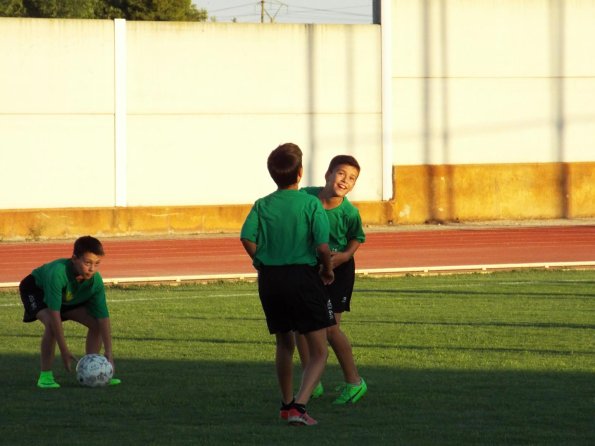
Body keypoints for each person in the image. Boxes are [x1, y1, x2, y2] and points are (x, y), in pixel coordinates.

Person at [240, 143, 335, 426]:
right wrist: (328, 270)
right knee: (319, 350)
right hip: (302, 277)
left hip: (270, 280)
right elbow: (321, 246)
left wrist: (260, 261)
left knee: (284, 343)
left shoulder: (262, 204)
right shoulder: (310, 203)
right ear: (300, 173)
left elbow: (246, 237)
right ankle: (300, 406)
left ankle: (285, 404)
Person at [297, 155, 367, 404]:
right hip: (312, 268)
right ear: (327, 174)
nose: (345, 180)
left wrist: (345, 255)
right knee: (301, 324)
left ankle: (355, 382)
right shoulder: (305, 196)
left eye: (352, 178)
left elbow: (357, 237)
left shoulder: (348, 212)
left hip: (339, 272)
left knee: (329, 329)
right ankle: (311, 380)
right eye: (341, 173)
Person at [19, 235, 120, 388]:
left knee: (96, 325)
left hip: (68, 295)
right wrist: (64, 350)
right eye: (87, 263)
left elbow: (103, 318)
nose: (92, 269)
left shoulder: (95, 282)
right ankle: (45, 376)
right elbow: (55, 315)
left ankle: (96, 371)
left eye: (97, 263)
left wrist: (109, 354)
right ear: (74, 258)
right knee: (52, 326)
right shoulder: (58, 273)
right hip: (36, 290)